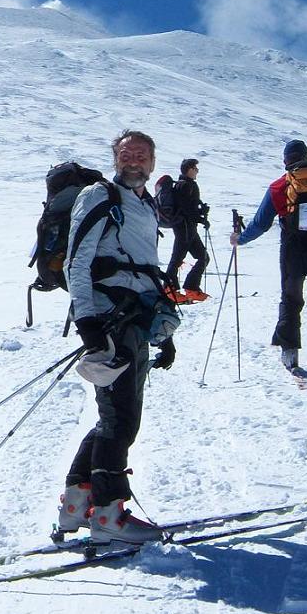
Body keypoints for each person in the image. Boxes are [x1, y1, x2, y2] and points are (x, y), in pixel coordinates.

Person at [55, 129, 177, 545]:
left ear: (153, 162)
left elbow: (144, 269)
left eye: (142, 155)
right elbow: (78, 259)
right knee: (121, 418)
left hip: (135, 320)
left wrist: (163, 332)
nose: (134, 162)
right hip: (107, 319)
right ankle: (108, 513)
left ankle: (76, 504)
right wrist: (87, 320)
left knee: (114, 416)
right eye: (127, 155)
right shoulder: (99, 195)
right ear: (115, 158)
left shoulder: (143, 204)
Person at [230, 139, 307, 379]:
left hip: (293, 252)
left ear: (286, 161)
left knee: (290, 299)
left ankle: (290, 353)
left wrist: (240, 239)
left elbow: (260, 223)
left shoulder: (280, 187)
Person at [165, 158, 209, 303]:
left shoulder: (181, 185)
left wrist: (200, 212)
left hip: (185, 227)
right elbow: (188, 208)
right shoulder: (187, 186)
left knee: (201, 257)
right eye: (196, 169)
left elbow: (188, 206)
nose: (197, 171)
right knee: (178, 258)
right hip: (185, 227)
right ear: (190, 169)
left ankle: (190, 288)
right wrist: (201, 218)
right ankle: (170, 290)